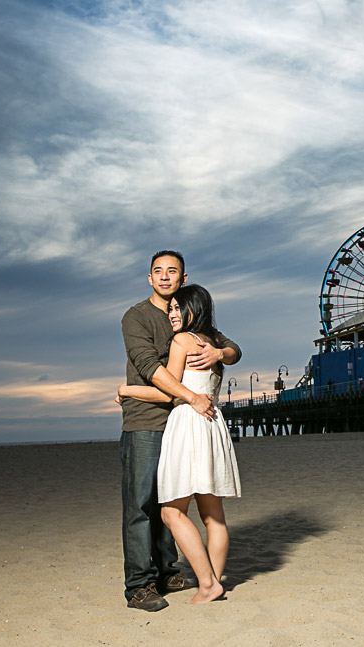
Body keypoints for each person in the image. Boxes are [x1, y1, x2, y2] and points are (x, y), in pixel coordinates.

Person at [119, 251, 241, 612]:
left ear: (183, 280)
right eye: (158, 271)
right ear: (149, 277)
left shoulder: (188, 328)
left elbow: (234, 349)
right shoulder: (137, 316)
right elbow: (146, 365)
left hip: (182, 420)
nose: (164, 276)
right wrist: (196, 391)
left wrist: (221, 355)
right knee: (144, 504)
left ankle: (169, 572)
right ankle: (141, 583)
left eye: (172, 271)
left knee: (170, 505)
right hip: (148, 421)